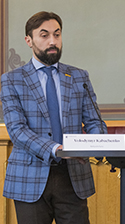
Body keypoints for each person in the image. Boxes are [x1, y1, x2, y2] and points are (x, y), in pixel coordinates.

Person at [1, 11, 107, 224]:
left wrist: (98, 143)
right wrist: (56, 149)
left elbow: (95, 121)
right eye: (44, 35)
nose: (52, 41)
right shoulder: (11, 80)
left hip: (73, 177)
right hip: (28, 178)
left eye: (57, 35)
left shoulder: (79, 76)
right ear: (28, 40)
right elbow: (17, 130)